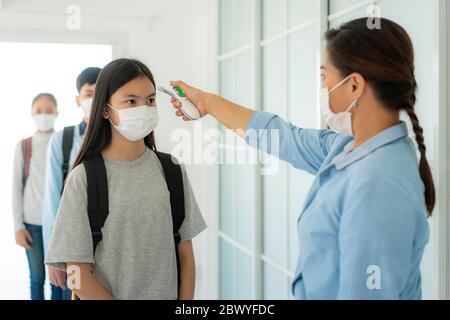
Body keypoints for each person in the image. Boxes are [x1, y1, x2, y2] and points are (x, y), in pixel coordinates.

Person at [169, 18, 434, 300]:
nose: (321, 86)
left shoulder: (379, 184)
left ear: (354, 86)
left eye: (324, 76)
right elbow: (280, 136)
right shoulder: (349, 148)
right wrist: (206, 102)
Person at [45, 58, 207, 300]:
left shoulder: (171, 169)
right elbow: (77, 273)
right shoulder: (83, 178)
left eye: (150, 100)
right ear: (105, 109)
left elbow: (185, 255)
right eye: (131, 101)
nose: (143, 108)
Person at [42, 67, 101, 299]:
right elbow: (52, 202)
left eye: (100, 93)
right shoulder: (63, 140)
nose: (94, 100)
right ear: (78, 99)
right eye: (89, 94)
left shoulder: (120, 139)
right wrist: (53, 258)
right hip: (71, 250)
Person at [12, 93, 58, 300]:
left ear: (56, 113)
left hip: (58, 225)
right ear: (31, 113)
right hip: (31, 225)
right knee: (37, 278)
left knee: (59, 280)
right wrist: (18, 226)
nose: (44, 115)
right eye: (39, 111)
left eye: (49, 111)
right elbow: (16, 187)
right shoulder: (24, 146)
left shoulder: (62, 142)